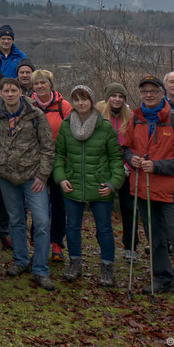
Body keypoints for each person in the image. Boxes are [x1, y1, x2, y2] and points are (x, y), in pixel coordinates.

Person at [123, 76, 174, 311]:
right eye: (144, 91)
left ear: (162, 93)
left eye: (153, 91)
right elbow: (126, 148)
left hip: (172, 191)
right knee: (155, 238)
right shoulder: (135, 119)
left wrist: (158, 166)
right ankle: (163, 278)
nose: (148, 95)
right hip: (143, 188)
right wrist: (132, 159)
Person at [0, 78, 57, 291]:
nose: (10, 94)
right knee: (16, 220)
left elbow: (47, 147)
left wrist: (42, 176)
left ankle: (41, 269)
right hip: (6, 177)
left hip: (32, 178)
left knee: (42, 222)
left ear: (21, 91)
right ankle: (20, 260)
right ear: (0, 93)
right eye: (6, 90)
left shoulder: (35, 115)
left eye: (13, 90)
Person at [53, 85, 123, 287]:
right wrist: (61, 177)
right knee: (72, 227)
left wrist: (113, 183)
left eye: (84, 99)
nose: (80, 103)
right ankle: (75, 263)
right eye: (76, 99)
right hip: (73, 185)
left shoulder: (105, 127)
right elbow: (59, 156)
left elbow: (116, 158)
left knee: (104, 229)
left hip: (100, 186)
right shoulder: (66, 126)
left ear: (92, 101)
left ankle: (107, 267)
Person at [96, 83, 140, 262]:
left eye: (120, 96)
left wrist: (128, 167)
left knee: (129, 209)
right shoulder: (98, 116)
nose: (117, 99)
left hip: (126, 169)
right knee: (102, 209)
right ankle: (103, 245)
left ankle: (131, 246)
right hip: (104, 169)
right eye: (113, 96)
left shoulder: (131, 117)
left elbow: (136, 143)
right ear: (108, 98)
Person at [31, 69, 71, 263]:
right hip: (33, 163)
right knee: (37, 205)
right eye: (36, 83)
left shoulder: (64, 107)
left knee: (58, 204)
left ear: (50, 84)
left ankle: (56, 243)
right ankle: (37, 245)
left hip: (58, 163)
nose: (39, 86)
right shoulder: (27, 105)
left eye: (43, 83)